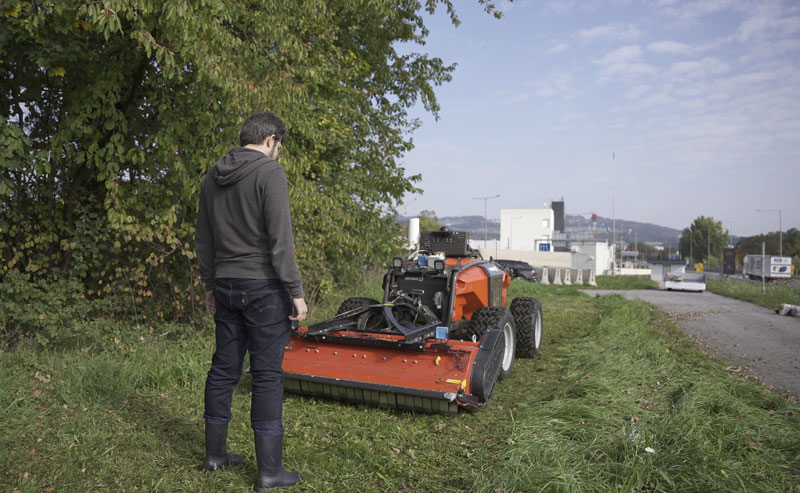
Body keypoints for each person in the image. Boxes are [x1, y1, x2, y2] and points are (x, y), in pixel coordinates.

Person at [195, 111, 307, 490]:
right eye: (280, 146)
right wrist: (295, 291)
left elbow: (204, 239)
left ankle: (214, 456)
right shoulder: (269, 173)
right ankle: (270, 473)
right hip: (263, 288)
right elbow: (281, 241)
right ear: (271, 138)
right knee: (267, 376)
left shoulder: (213, 175)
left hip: (225, 284)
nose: (278, 153)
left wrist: (210, 284)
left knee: (224, 369)